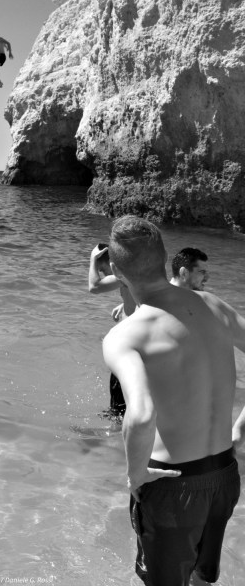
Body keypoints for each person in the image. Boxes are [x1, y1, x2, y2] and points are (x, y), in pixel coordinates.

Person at [102, 216, 245, 586]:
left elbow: (141, 415)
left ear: (116, 271)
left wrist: (136, 474)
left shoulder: (125, 335)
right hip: (224, 474)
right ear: (165, 259)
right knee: (201, 577)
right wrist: (240, 430)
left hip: (172, 484)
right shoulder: (213, 305)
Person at [88, 243, 136, 417]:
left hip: (130, 344)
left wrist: (93, 259)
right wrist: (126, 303)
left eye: (102, 269)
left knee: (119, 406)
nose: (103, 275)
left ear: (112, 263)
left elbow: (94, 286)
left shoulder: (122, 273)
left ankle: (116, 428)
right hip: (136, 342)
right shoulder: (136, 272)